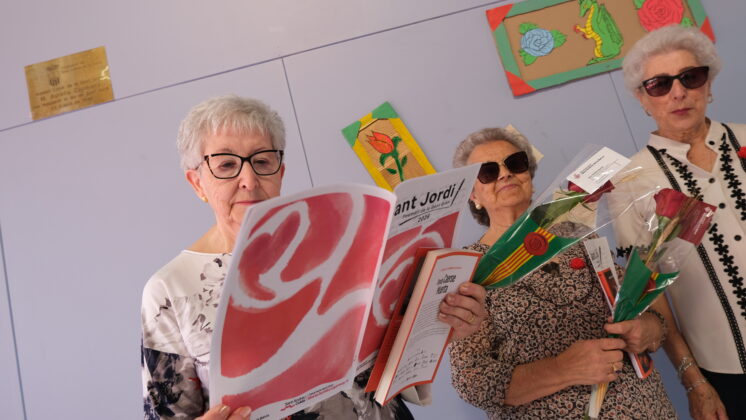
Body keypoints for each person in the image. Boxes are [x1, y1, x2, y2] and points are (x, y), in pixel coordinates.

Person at [140, 94, 487, 419]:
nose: (249, 179)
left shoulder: (343, 246)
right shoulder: (170, 289)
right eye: (227, 164)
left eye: (262, 161)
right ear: (197, 183)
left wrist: (438, 324)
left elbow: (384, 358)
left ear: (280, 172)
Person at [447, 127, 677, 419]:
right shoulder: (470, 270)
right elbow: (472, 381)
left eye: (514, 163)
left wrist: (647, 330)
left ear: (529, 176)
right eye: (488, 172)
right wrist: (562, 369)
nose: (504, 174)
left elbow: (647, 312)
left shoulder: (579, 235)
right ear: (473, 194)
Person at [608, 25, 745, 420]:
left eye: (690, 77)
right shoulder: (630, 182)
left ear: (709, 83)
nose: (678, 92)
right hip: (727, 369)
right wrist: (693, 380)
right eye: (660, 84)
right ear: (642, 98)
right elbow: (650, 293)